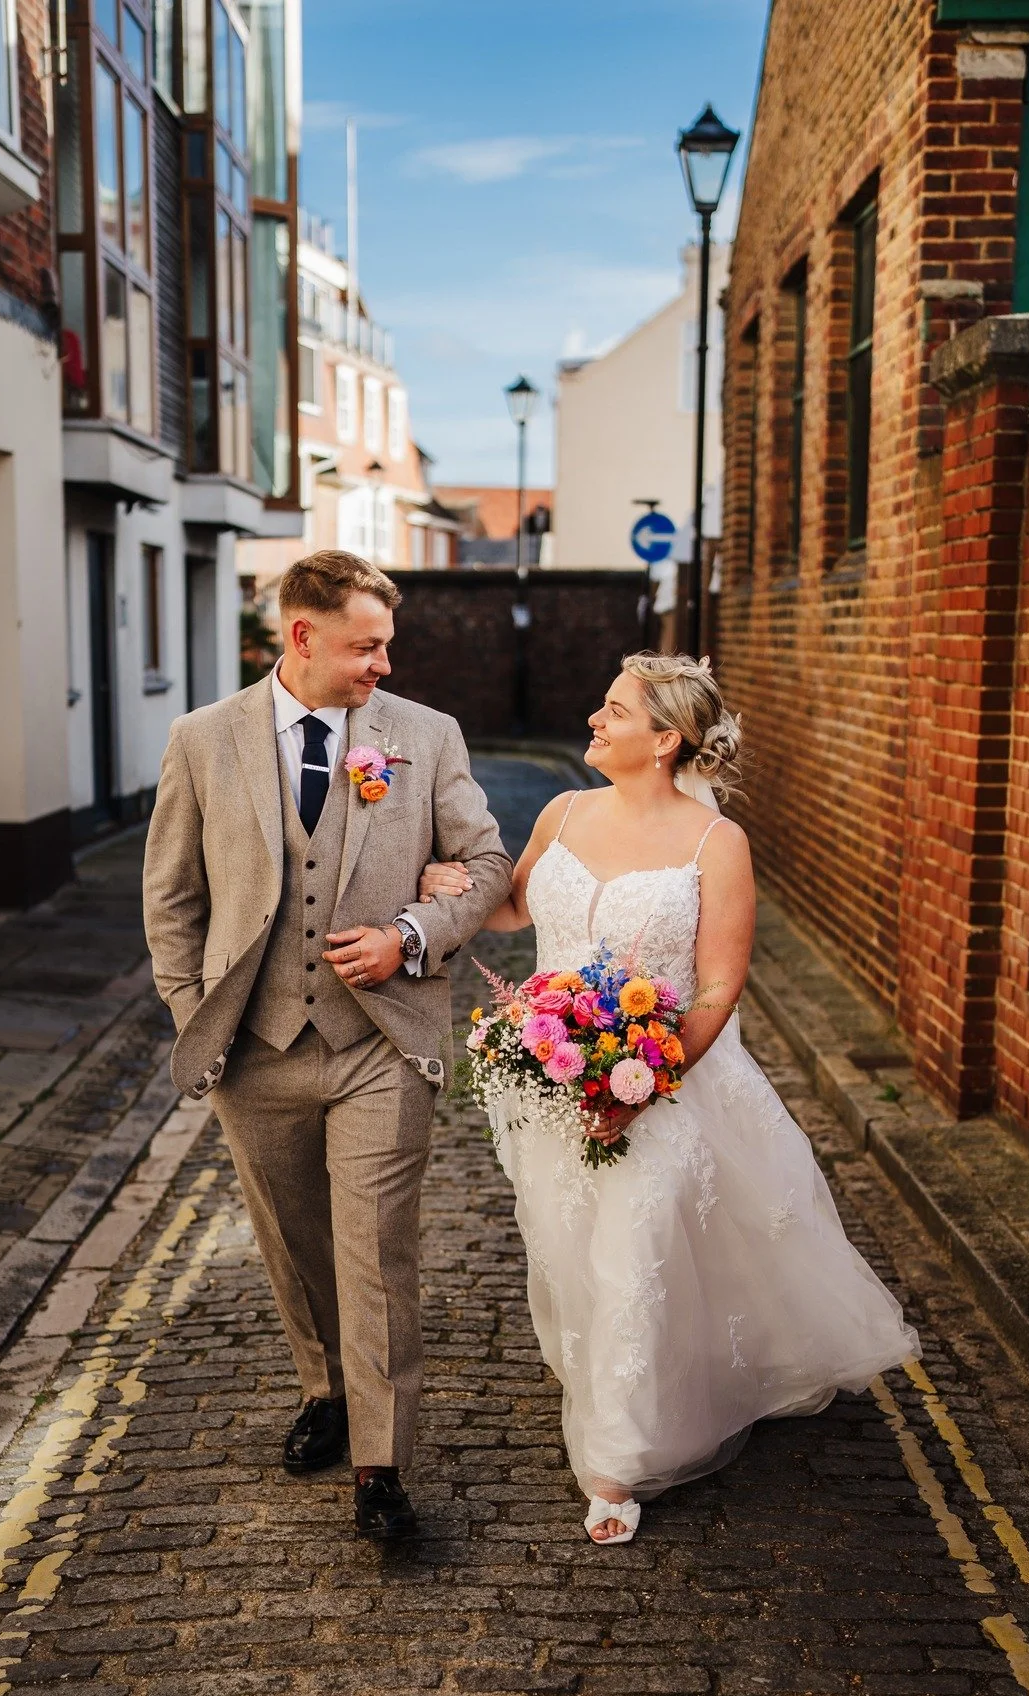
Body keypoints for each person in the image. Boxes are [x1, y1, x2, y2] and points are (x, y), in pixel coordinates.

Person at [418, 653, 919, 1543]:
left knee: (634, 1250)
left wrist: (643, 1080)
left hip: (661, 1083)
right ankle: (613, 1375)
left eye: (614, 710)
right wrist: (449, 885)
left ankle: (616, 1462)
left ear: (663, 740)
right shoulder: (562, 812)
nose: (594, 719)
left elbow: (719, 985)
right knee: (568, 1239)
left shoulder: (714, 843)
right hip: (554, 1077)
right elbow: (512, 912)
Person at [143, 551, 512, 1540]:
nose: (383, 664)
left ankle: (380, 1466)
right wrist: (191, 1011)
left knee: (376, 1250)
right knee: (294, 1240)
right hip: (253, 1047)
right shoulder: (201, 740)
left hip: (379, 1042)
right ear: (302, 636)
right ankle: (325, 1387)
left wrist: (411, 935)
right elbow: (172, 896)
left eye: (386, 644)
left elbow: (486, 861)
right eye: (366, 645)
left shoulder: (423, 736)